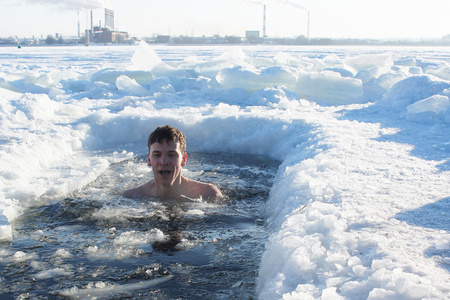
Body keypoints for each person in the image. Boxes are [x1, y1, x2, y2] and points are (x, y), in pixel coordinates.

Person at [122, 125, 223, 201]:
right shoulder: (132, 196)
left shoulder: (208, 194)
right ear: (149, 160)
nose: (164, 162)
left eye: (171, 155)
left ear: (184, 159)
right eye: (157, 155)